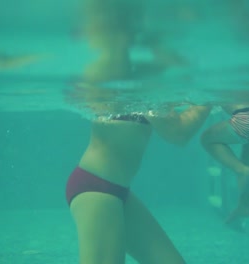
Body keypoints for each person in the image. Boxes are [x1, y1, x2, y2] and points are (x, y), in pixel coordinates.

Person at [65, 1, 211, 263]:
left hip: (117, 190)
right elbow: (177, 134)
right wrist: (209, 100)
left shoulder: (146, 75)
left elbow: (175, 121)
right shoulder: (132, 76)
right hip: (96, 188)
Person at [200, 99, 249, 224]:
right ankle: (245, 205)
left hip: (248, 117)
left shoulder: (219, 81)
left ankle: (239, 170)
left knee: (206, 139)